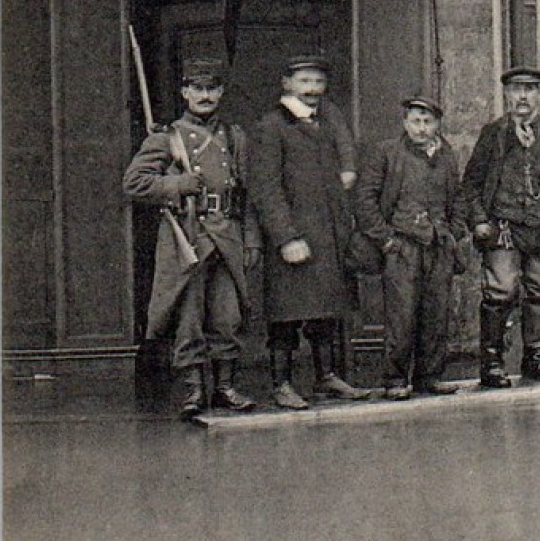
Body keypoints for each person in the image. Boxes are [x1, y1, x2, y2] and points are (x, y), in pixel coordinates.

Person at [123, 58, 261, 421]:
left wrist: (250, 239)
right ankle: (193, 392)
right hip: (189, 236)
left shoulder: (235, 137)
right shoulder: (166, 137)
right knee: (189, 319)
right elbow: (134, 183)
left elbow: (247, 195)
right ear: (185, 92)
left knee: (228, 316)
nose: (204, 95)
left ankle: (225, 387)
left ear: (220, 93)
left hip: (228, 235)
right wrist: (175, 184)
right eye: (197, 88)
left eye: (211, 88)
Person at [247, 54, 373, 409]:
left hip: (328, 236)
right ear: (287, 84)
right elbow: (265, 188)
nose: (313, 89)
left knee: (326, 312)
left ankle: (326, 378)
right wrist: (286, 237)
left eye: (318, 82)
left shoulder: (327, 121)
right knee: (286, 317)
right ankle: (281, 384)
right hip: (295, 239)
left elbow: (346, 157)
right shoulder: (271, 127)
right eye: (305, 82)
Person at [458, 66, 540, 388]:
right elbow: (471, 184)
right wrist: (479, 221)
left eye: (529, 89)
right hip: (503, 227)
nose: (523, 96)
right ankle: (492, 364)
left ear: (538, 94)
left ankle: (535, 359)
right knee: (500, 293)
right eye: (516, 89)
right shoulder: (493, 134)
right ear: (506, 95)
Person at [356, 97, 467, 401]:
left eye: (428, 121)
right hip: (402, 246)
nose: (422, 128)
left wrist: (453, 232)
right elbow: (365, 199)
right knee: (401, 316)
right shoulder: (387, 153)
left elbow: (458, 198)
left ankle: (429, 376)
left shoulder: (446, 156)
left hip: (438, 245)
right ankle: (395, 379)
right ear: (405, 123)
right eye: (415, 121)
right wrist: (386, 239)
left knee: (436, 313)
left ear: (437, 125)